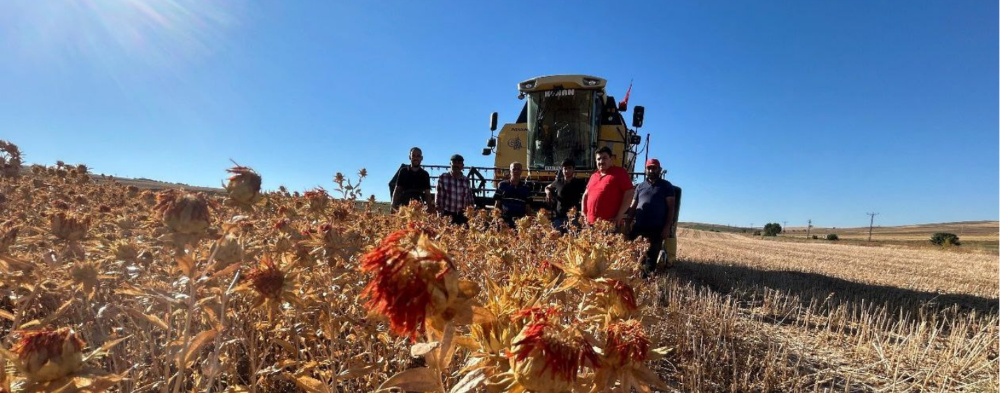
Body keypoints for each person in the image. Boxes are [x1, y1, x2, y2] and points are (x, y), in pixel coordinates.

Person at [626, 158, 676, 277]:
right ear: (645, 170)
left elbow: (671, 209)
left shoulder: (666, 186)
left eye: (654, 168)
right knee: (635, 257)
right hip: (639, 228)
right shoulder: (639, 187)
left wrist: (667, 227)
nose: (651, 170)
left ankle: (646, 285)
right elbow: (633, 206)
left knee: (650, 260)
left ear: (659, 170)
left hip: (656, 230)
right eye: (649, 168)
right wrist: (628, 222)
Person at [581, 146, 635, 229]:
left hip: (609, 225)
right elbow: (585, 195)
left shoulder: (620, 172)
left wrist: (620, 215)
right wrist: (583, 213)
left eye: (604, 158)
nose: (601, 161)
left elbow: (629, 193)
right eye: (598, 159)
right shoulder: (593, 176)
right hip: (589, 225)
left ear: (611, 159)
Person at [388, 147, 435, 213]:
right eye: (413, 155)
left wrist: (430, 209)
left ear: (421, 158)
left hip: (418, 208)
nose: (416, 158)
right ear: (410, 157)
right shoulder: (403, 171)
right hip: (404, 207)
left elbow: (427, 194)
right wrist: (393, 205)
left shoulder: (425, 174)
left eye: (418, 156)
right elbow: (397, 190)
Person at [545, 158, 587, 231]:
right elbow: (547, 187)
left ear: (573, 169)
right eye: (565, 168)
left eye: (569, 168)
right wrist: (548, 192)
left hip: (573, 218)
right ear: (562, 170)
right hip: (559, 217)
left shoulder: (579, 182)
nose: (567, 171)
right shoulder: (558, 182)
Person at [435, 154, 475, 225]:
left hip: (462, 215)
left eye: (459, 163)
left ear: (462, 166)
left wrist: (471, 213)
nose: (456, 165)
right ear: (450, 164)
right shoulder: (443, 177)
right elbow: (439, 197)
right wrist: (439, 212)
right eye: (454, 162)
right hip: (447, 214)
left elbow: (469, 199)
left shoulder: (466, 180)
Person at [493, 162, 531, 228]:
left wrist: (529, 222)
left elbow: (528, 207)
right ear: (510, 171)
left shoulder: (526, 188)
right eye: (514, 169)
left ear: (521, 171)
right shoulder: (502, 185)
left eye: (518, 169)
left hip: (520, 222)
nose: (516, 171)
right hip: (504, 220)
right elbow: (497, 203)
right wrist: (496, 219)